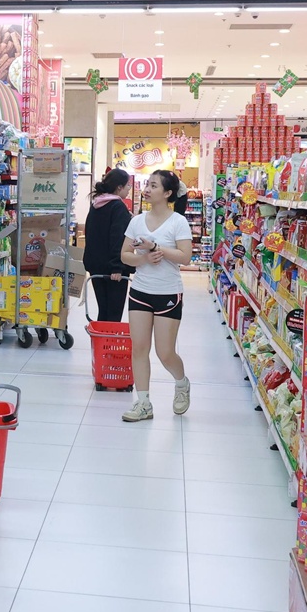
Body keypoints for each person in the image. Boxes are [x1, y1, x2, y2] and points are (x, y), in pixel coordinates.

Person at [119, 170, 194, 423]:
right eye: (147, 185)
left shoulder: (178, 222)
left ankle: (181, 383)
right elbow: (124, 255)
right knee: (139, 348)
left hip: (168, 292)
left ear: (168, 193)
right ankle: (143, 403)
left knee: (165, 352)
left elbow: (185, 257)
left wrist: (156, 247)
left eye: (153, 185)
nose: (147, 189)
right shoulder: (137, 221)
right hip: (140, 291)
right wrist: (143, 259)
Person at [83, 168, 134, 322]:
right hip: (114, 270)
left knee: (103, 310)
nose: (129, 188)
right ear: (119, 187)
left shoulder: (96, 204)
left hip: (96, 266)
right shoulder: (117, 207)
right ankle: (110, 337)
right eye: (127, 185)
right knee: (114, 313)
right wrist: (117, 267)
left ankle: (101, 337)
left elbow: (90, 234)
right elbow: (118, 238)